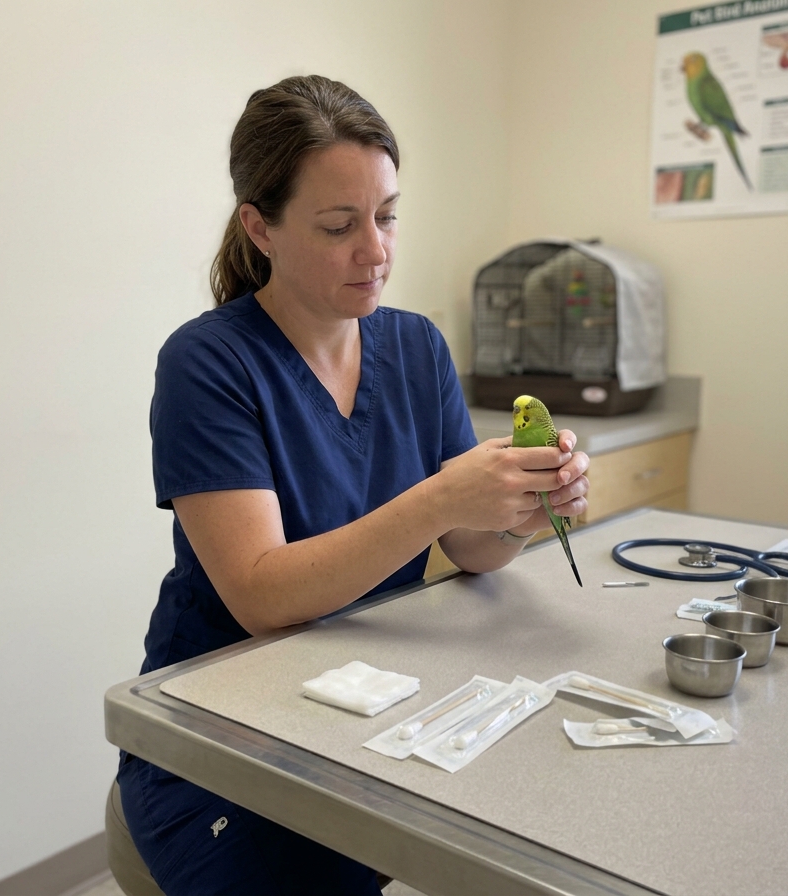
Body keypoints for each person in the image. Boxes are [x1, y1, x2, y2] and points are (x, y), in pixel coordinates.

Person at [118, 74, 589, 896]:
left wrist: (519, 510)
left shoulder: (415, 347)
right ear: (259, 228)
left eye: (387, 216)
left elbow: (469, 548)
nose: (375, 251)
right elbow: (262, 596)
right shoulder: (209, 363)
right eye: (339, 226)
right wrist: (443, 496)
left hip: (370, 703)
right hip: (223, 734)